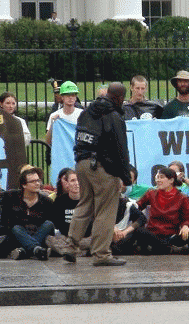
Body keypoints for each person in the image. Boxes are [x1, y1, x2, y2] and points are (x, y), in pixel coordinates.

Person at [63, 82, 131, 266]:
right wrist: (125, 175)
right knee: (105, 211)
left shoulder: (86, 113)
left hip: (82, 163)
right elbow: (120, 148)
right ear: (119, 98)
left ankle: (71, 247)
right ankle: (101, 254)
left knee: (84, 205)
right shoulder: (113, 116)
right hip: (102, 167)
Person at [132, 167, 189, 255]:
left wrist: (185, 226)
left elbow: (186, 218)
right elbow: (137, 207)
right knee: (140, 231)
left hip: (172, 236)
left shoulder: (183, 198)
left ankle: (158, 248)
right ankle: (170, 249)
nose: (158, 180)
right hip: (153, 234)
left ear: (171, 180)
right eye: (157, 177)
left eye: (161, 177)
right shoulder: (151, 193)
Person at [1, 167, 54, 260]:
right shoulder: (11, 196)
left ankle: (25, 251)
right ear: (24, 185)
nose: (37, 183)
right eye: (33, 181)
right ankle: (37, 250)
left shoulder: (46, 201)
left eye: (38, 180)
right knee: (16, 228)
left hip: (39, 233)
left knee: (49, 224)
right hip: (18, 235)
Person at [45, 81, 83, 145]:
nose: (70, 97)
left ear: (76, 97)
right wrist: (52, 125)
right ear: (62, 97)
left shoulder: (82, 114)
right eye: (67, 95)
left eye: (73, 95)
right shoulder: (54, 115)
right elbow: (48, 141)